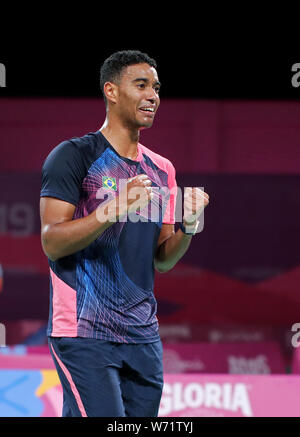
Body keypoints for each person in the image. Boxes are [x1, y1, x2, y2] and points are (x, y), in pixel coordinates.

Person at [40, 50, 209, 417]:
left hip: (142, 336)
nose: (153, 96)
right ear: (111, 91)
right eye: (142, 85)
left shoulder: (162, 170)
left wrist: (189, 227)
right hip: (84, 332)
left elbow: (162, 260)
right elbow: (51, 241)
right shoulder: (73, 156)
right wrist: (113, 208)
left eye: (157, 88)